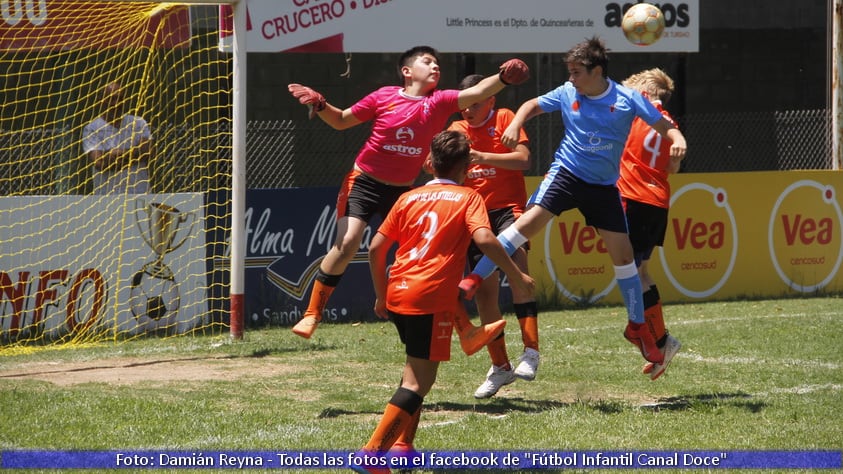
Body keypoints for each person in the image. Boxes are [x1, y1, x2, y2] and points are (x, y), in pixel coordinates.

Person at [459, 36, 687, 367]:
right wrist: (519, 122)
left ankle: (637, 327)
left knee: (625, 259)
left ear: (596, 71)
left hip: (603, 187)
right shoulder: (568, 92)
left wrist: (677, 138)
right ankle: (475, 277)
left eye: (576, 72)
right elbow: (530, 105)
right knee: (526, 225)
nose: (570, 78)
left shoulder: (628, 99)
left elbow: (664, 125)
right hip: (566, 174)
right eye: (569, 72)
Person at [287, 46, 530, 342]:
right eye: (427, 62)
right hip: (364, 181)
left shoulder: (439, 101)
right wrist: (322, 104)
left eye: (438, 63)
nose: (435, 66)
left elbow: (478, 91)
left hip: (402, 190)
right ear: (406, 71)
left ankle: (464, 328)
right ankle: (312, 313)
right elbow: (341, 120)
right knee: (348, 242)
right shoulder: (383, 96)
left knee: (428, 257)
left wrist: (503, 77)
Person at [355, 130, 535, 474]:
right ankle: (373, 454)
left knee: (414, 368)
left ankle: (403, 447)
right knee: (418, 382)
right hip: (430, 298)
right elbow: (485, 238)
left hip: (399, 292)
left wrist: (380, 294)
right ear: (467, 167)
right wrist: (514, 274)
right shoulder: (469, 197)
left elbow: (376, 249)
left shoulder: (407, 199)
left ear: (429, 163)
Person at [447, 74, 539, 398]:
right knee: (485, 296)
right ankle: (500, 367)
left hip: (508, 210)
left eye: (475, 103)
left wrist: (483, 157)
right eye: (464, 105)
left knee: (519, 272)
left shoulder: (504, 118)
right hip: (474, 215)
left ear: (491, 100)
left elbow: (524, 160)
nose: (468, 110)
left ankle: (531, 352)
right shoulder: (456, 130)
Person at [617, 68, 683, 380]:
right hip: (658, 202)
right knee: (641, 271)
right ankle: (658, 340)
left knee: (631, 272)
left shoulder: (636, 113)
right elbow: (673, 165)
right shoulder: (670, 124)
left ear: (648, 89)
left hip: (635, 197)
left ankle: (652, 338)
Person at [82, 81, 153, 194]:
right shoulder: (92, 129)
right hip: (108, 198)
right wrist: (134, 153)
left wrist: (114, 154)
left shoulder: (138, 123)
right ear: (101, 100)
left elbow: (146, 152)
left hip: (140, 195)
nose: (116, 104)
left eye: (120, 99)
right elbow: (100, 163)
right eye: (112, 99)